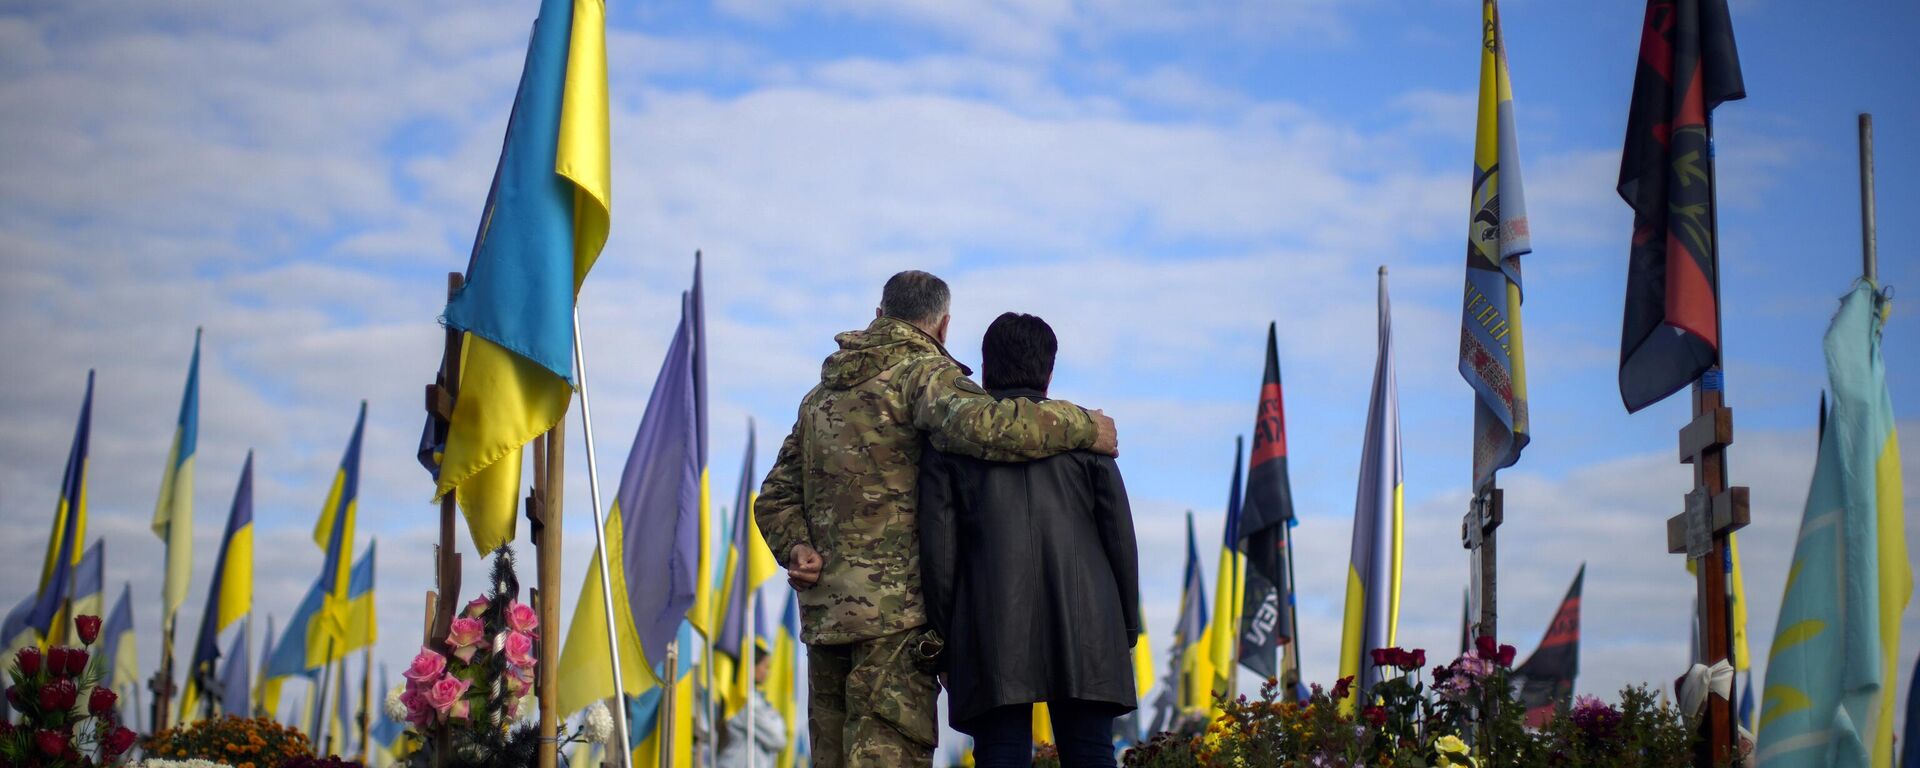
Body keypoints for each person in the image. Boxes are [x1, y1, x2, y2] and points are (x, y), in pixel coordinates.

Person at [756, 271, 1120, 768]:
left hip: (827, 618)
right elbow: (993, 426)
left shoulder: (819, 398)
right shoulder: (922, 375)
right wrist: (1085, 425)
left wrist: (797, 548)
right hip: (897, 622)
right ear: (943, 326)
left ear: (880, 314)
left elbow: (775, 493)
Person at [918, 312, 1141, 768]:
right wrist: (1125, 627)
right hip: (1089, 625)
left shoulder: (949, 443)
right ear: (1050, 370)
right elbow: (1120, 539)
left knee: (1000, 756)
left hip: (987, 627)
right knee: (1092, 755)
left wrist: (944, 638)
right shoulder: (1088, 437)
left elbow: (939, 555)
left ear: (983, 367)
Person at [717, 642, 786, 768]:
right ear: (752, 666)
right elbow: (778, 738)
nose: (767, 672)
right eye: (765, 667)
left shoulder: (757, 699)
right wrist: (776, 718)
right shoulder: (744, 700)